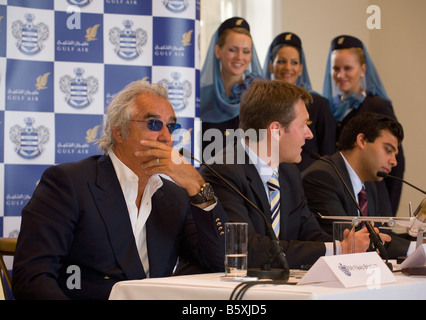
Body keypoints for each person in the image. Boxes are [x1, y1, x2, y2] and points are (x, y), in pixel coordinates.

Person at [12, 80, 228, 300]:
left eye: (171, 126)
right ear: (118, 131)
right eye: (153, 124)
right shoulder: (70, 182)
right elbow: (32, 277)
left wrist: (198, 187)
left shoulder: (175, 196)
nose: (166, 137)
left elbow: (220, 262)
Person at [200, 80, 391, 270]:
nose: (309, 134)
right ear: (276, 130)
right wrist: (339, 248)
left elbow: (310, 235)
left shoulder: (289, 173)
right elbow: (246, 248)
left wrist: (352, 246)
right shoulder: (223, 171)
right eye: (303, 125)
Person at [302, 112, 412, 258]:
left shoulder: (369, 185)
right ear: (362, 141)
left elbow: (381, 234)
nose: (394, 161)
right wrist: (414, 249)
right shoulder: (322, 177)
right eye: (388, 150)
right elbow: (349, 238)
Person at [322, 35, 405, 216]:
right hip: (341, 193)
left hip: (373, 197)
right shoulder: (328, 108)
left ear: (362, 69)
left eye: (347, 68)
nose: (340, 75)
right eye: (335, 68)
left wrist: (388, 209)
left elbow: (396, 163)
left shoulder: (377, 105)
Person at [263, 32, 336, 170]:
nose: (288, 68)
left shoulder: (319, 105)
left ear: (301, 69)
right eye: (281, 61)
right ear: (271, 66)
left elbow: (328, 154)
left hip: (308, 183)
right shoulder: (260, 105)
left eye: (294, 62)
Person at [200, 17, 262, 158]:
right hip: (205, 176)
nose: (239, 57)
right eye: (233, 50)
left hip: (249, 178)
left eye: (246, 51)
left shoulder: (259, 96)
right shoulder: (201, 97)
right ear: (217, 51)